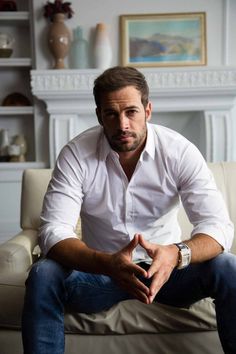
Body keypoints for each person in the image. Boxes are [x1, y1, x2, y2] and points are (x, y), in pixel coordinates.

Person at [22, 66, 235, 354]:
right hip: (101, 273)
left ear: (148, 110)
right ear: (99, 116)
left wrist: (176, 253)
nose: (122, 124)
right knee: (43, 273)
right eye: (111, 113)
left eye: (131, 112)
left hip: (167, 274)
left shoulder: (179, 151)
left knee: (227, 266)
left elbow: (218, 226)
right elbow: (52, 232)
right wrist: (106, 263)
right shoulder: (76, 154)